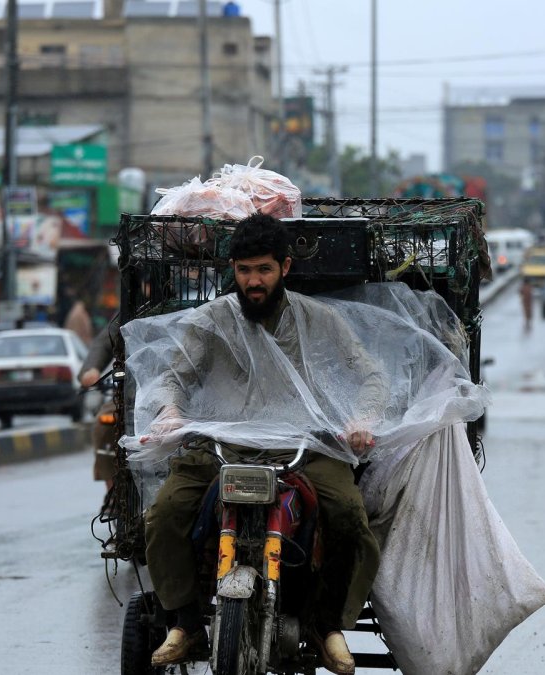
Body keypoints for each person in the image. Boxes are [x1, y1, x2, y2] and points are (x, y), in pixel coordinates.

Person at [141, 214, 385, 674]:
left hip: (304, 448)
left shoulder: (319, 319)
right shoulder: (210, 321)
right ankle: (187, 621)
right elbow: (174, 377)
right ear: (232, 269)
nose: (254, 281)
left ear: (285, 267)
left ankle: (327, 625)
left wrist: (361, 418)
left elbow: (370, 375)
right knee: (164, 515)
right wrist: (170, 410)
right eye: (245, 270)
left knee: (351, 519)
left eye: (264, 270)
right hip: (220, 446)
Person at [78, 318, 122, 495]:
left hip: (177, 397)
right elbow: (103, 344)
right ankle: (112, 491)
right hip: (130, 396)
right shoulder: (130, 310)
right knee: (104, 423)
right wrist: (91, 369)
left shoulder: (182, 311)